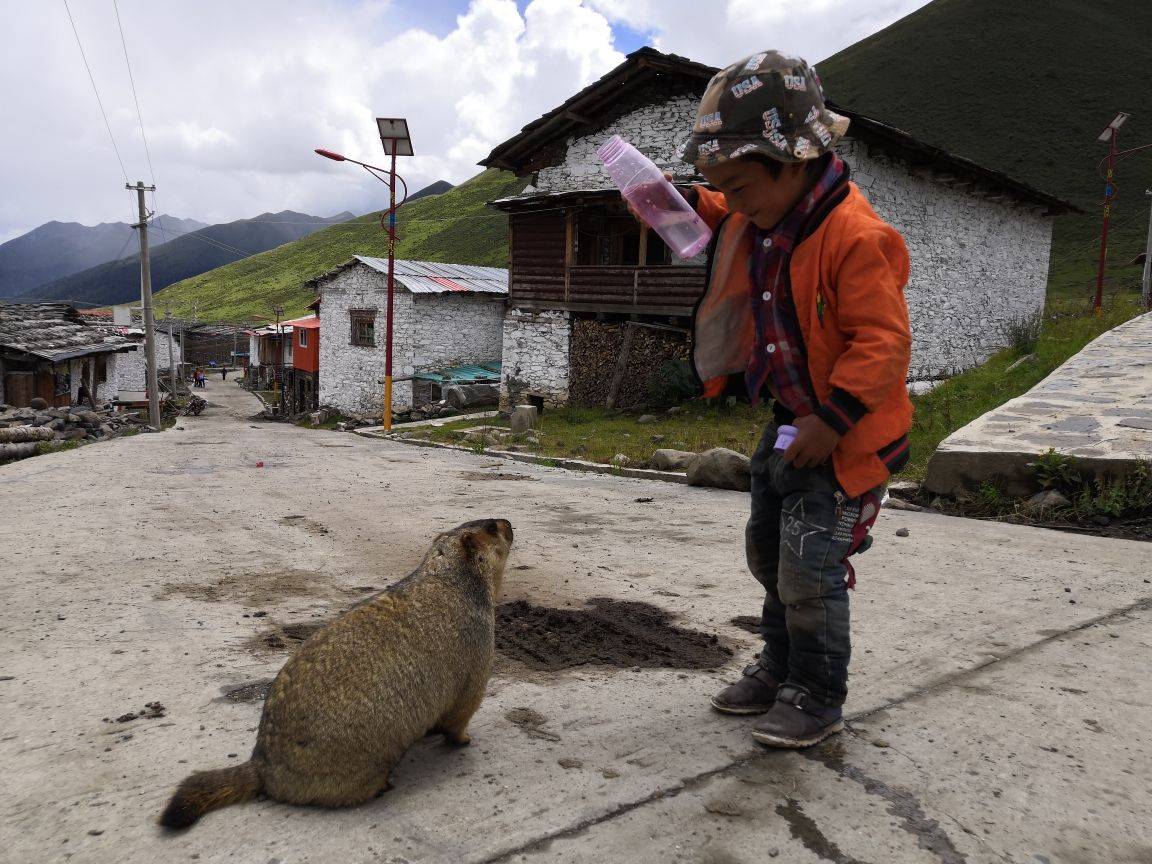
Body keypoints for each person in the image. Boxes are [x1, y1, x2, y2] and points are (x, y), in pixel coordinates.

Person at [673, 51, 913, 748]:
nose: (732, 202)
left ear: (795, 161)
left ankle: (816, 693)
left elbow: (884, 343)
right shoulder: (767, 214)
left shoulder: (857, 238)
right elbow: (725, 209)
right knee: (769, 552)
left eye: (739, 186)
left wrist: (833, 420)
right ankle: (780, 666)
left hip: (847, 434)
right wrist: (681, 200)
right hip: (790, 423)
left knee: (810, 567)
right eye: (723, 188)